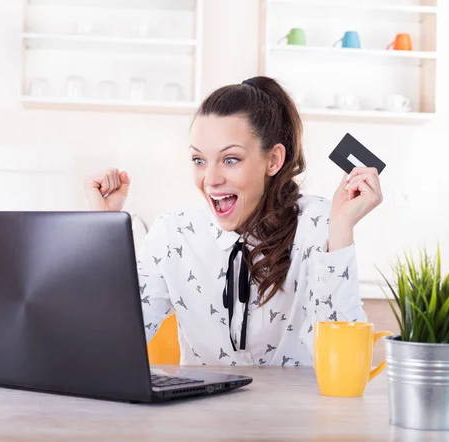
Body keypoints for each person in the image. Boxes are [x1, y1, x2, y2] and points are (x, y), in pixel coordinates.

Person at [84, 76, 383, 367]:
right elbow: (109, 345)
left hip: (298, 416)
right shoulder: (173, 234)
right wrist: (104, 228)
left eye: (230, 160)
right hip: (201, 415)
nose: (211, 179)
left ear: (274, 160)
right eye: (199, 160)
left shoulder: (317, 223)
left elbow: (345, 365)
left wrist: (342, 228)